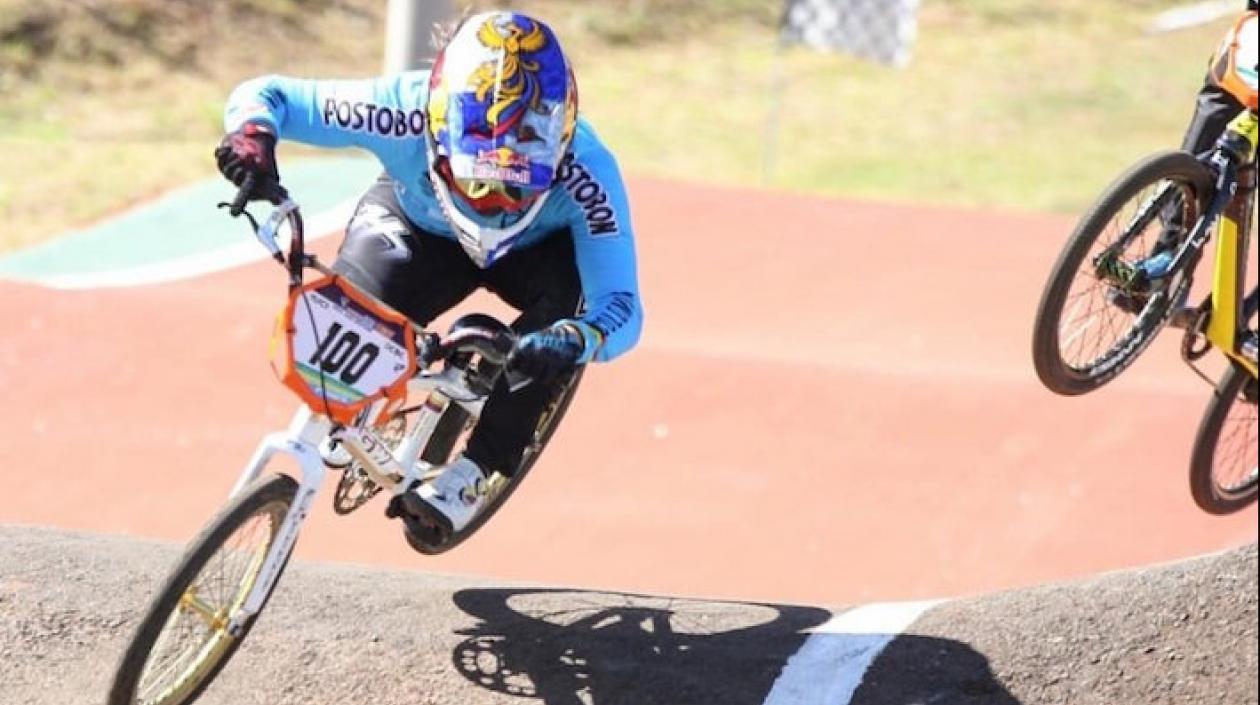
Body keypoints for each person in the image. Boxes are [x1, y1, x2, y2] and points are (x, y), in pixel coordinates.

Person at [213, 10, 644, 539]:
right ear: (437, 131)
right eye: (477, 180)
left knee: (554, 335)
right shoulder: (401, 110)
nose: (495, 202)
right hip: (420, 227)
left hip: (535, 257)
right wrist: (252, 136)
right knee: (342, 323)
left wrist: (578, 337)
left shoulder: (589, 171)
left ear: (561, 146)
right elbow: (269, 95)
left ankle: (477, 468)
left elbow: (621, 306)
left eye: (519, 185)